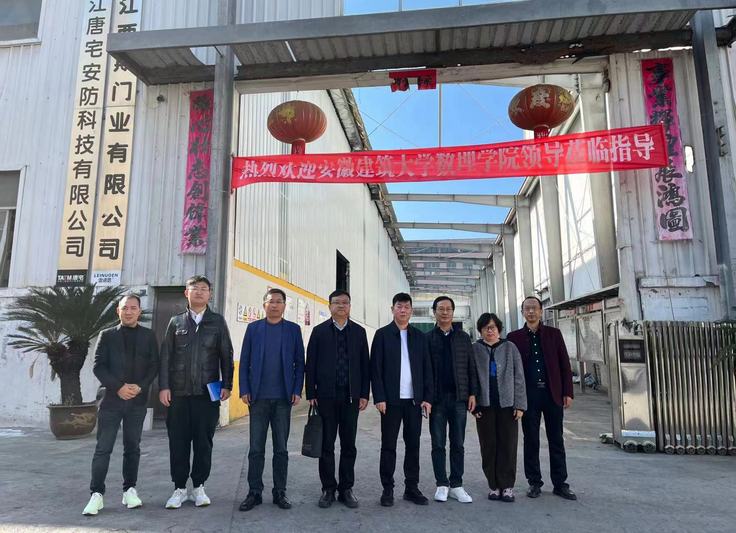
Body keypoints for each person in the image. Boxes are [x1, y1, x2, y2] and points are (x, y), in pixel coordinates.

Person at [159, 275, 234, 509]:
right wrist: (164, 386)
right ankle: (179, 488)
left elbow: (226, 355)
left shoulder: (217, 322)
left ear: (209, 294)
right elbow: (166, 357)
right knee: (178, 442)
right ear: (186, 293)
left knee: (204, 442)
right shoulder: (176, 322)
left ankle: (199, 486)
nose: (199, 292)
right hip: (178, 394)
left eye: (204, 289)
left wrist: (227, 385)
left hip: (207, 394)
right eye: (195, 288)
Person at [83, 293, 159, 516]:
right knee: (103, 448)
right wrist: (118, 387)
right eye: (125, 308)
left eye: (133, 308)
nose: (129, 312)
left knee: (132, 447)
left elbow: (154, 365)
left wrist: (140, 387)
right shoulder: (107, 335)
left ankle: (129, 490)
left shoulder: (148, 336)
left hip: (137, 401)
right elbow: (98, 366)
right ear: (118, 311)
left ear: (139, 311)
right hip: (111, 401)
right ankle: (96, 494)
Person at [238, 288, 305, 512]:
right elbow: (245, 360)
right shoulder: (254, 329)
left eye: (278, 301)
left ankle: (280, 492)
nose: (274, 305)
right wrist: (244, 389)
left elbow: (300, 363)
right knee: (256, 448)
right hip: (258, 398)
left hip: (283, 399)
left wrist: (297, 389)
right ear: (264, 305)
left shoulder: (293, 330)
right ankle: (254, 492)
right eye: (270, 301)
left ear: (285, 305)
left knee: (281, 449)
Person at [507, 296, 576, 501]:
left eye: (534, 308)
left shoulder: (554, 334)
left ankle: (560, 484)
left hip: (552, 394)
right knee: (531, 440)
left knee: (556, 439)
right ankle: (534, 482)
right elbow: (511, 369)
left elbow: (564, 364)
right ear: (522, 312)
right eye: (527, 308)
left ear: (541, 311)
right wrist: (514, 398)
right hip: (528, 396)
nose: (531, 312)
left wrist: (568, 392)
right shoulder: (514, 337)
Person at [305, 290, 370, 509]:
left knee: (349, 445)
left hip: (351, 398)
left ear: (350, 306)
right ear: (329, 305)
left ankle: (346, 489)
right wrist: (311, 393)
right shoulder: (319, 332)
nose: (341, 306)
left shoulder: (358, 332)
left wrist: (364, 393)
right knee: (326, 445)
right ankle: (328, 489)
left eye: (345, 302)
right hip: (326, 397)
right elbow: (310, 364)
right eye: (337, 302)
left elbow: (365, 365)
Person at [371, 292, 433, 507]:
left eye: (407, 307)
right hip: (391, 401)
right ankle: (387, 489)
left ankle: (411, 488)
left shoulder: (420, 337)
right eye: (399, 306)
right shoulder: (382, 335)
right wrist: (379, 397)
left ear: (411, 311)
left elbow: (427, 369)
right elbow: (375, 369)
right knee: (388, 445)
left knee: (413, 445)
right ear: (392, 309)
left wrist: (427, 398)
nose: (403, 310)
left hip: (414, 401)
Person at [426, 296, 477, 504]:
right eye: (441, 309)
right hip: (436, 400)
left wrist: (472, 393)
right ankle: (441, 484)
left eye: (448, 309)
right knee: (438, 443)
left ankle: (456, 485)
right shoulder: (428, 338)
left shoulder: (463, 338)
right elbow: (424, 370)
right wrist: (426, 398)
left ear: (453, 312)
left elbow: (471, 367)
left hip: (458, 399)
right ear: (434, 312)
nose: (445, 312)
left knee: (458, 443)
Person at [471, 313, 526, 503]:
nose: (490, 331)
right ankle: (493, 485)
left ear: (499, 329)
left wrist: (520, 404)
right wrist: (474, 405)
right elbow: (470, 377)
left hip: (507, 405)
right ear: (480, 330)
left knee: (508, 445)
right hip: (484, 406)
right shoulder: (475, 349)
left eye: (493, 327)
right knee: (488, 445)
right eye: (486, 327)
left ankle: (507, 486)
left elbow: (519, 377)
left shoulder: (510, 348)